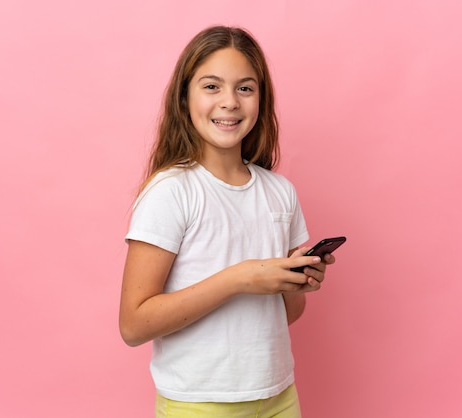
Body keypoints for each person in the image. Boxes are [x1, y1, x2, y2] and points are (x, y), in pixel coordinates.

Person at [119, 25, 336, 418]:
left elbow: (288, 313)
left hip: (278, 394)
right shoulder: (171, 191)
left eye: (245, 88)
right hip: (200, 402)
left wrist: (295, 281)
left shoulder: (280, 191)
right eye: (212, 86)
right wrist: (241, 278)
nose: (230, 102)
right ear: (184, 98)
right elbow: (133, 325)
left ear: (261, 99)